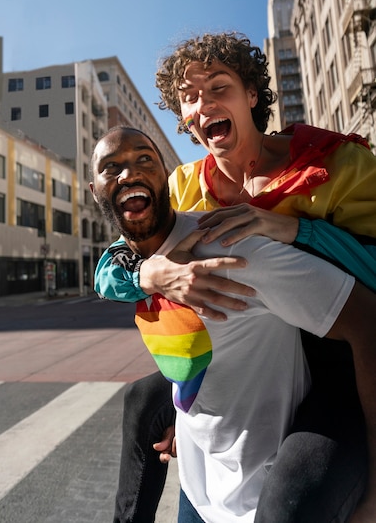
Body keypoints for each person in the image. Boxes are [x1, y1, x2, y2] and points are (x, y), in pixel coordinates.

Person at [95, 32, 376, 522]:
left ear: (251, 95)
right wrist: (149, 274)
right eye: (189, 97)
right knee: (144, 401)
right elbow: (110, 268)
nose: (203, 105)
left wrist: (297, 230)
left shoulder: (338, 165)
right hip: (250, 354)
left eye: (218, 88)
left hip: (337, 356)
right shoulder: (182, 186)